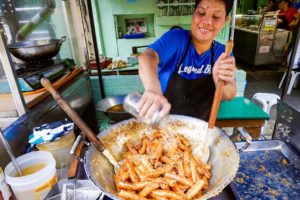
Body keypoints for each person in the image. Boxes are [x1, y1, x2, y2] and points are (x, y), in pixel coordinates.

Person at [137, 0, 236, 122]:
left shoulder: (223, 53)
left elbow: (229, 94)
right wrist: (152, 89)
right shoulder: (176, 38)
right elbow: (147, 57)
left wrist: (219, 82)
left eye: (216, 16)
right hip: (162, 126)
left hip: (200, 131)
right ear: (193, 13)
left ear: (225, 21)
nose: (207, 22)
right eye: (201, 13)